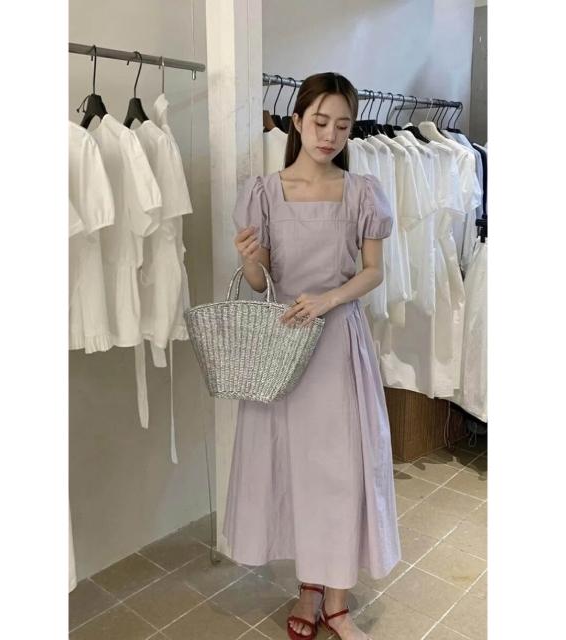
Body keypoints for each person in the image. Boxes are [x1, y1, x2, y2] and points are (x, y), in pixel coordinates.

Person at [224, 72, 401, 640]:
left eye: (342, 126)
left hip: (339, 345)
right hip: (284, 348)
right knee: (296, 470)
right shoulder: (263, 192)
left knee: (342, 472)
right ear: (296, 121)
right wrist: (249, 258)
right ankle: (309, 587)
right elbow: (261, 283)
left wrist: (329, 298)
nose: (330, 135)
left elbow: (373, 272)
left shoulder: (362, 191)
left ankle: (338, 601)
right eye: (320, 122)